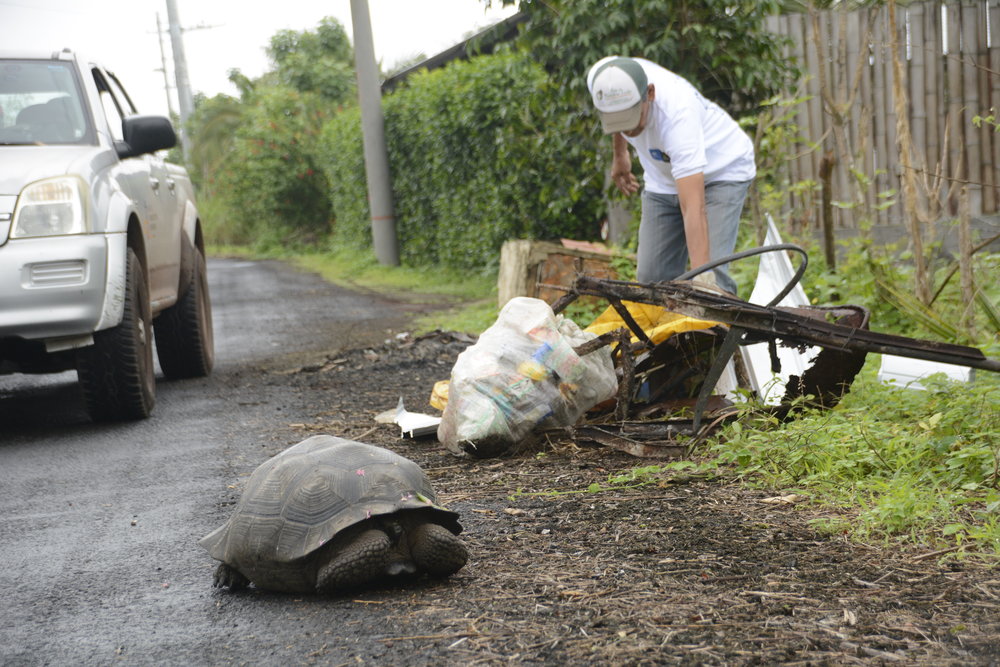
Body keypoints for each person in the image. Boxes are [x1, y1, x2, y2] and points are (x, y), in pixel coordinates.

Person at [586, 56, 755, 295]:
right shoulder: (604, 78)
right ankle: (670, 332)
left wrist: (702, 282)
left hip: (721, 171)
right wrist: (620, 154)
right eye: (619, 122)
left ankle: (718, 328)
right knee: (652, 280)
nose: (628, 129)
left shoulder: (678, 115)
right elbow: (617, 116)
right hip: (662, 178)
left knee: (712, 277)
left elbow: (693, 208)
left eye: (633, 118)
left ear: (650, 94)